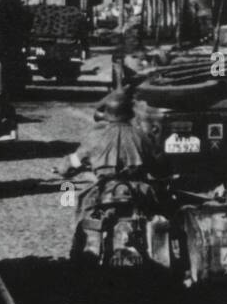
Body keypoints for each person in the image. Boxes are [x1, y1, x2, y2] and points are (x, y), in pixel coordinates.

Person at [54, 85, 156, 221]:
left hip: (105, 188)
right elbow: (158, 164)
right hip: (138, 190)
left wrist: (63, 170)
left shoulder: (94, 136)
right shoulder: (141, 136)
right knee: (158, 212)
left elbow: (74, 161)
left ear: (107, 114)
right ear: (130, 114)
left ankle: (80, 240)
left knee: (83, 208)